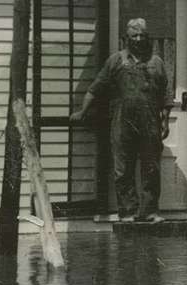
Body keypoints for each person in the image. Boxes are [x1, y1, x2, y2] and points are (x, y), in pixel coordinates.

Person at [70, 18, 173, 223]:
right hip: (121, 120)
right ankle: (127, 211)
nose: (138, 39)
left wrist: (165, 121)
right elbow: (96, 88)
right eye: (134, 35)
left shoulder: (157, 62)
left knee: (151, 167)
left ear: (147, 38)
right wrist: (82, 111)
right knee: (122, 168)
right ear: (127, 38)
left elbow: (165, 95)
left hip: (150, 120)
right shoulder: (116, 60)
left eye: (142, 36)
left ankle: (149, 211)